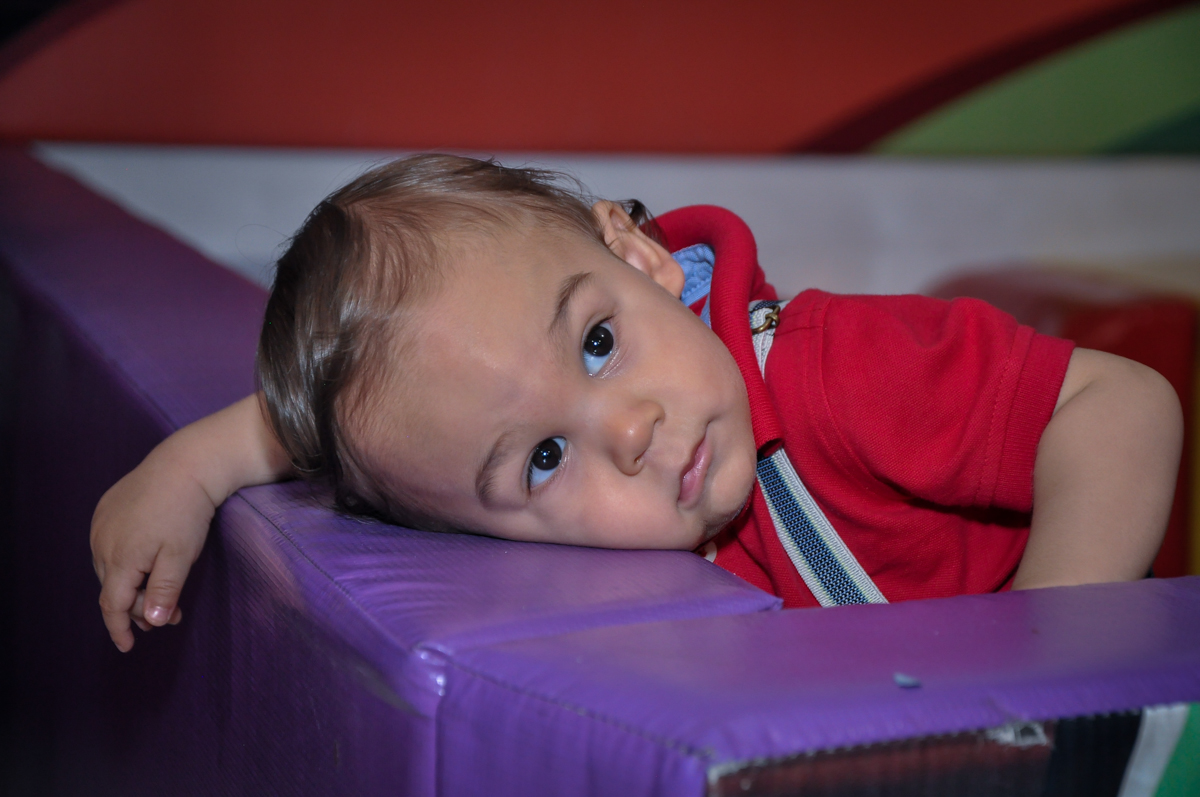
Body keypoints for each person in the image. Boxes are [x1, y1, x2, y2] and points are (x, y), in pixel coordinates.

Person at [90, 155, 1183, 652]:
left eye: (600, 341)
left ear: (643, 254)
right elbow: (368, 435)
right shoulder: (577, 499)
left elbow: (1122, 405)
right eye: (542, 460)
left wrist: (1055, 655)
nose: (628, 431)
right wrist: (192, 466)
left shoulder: (835, 371)